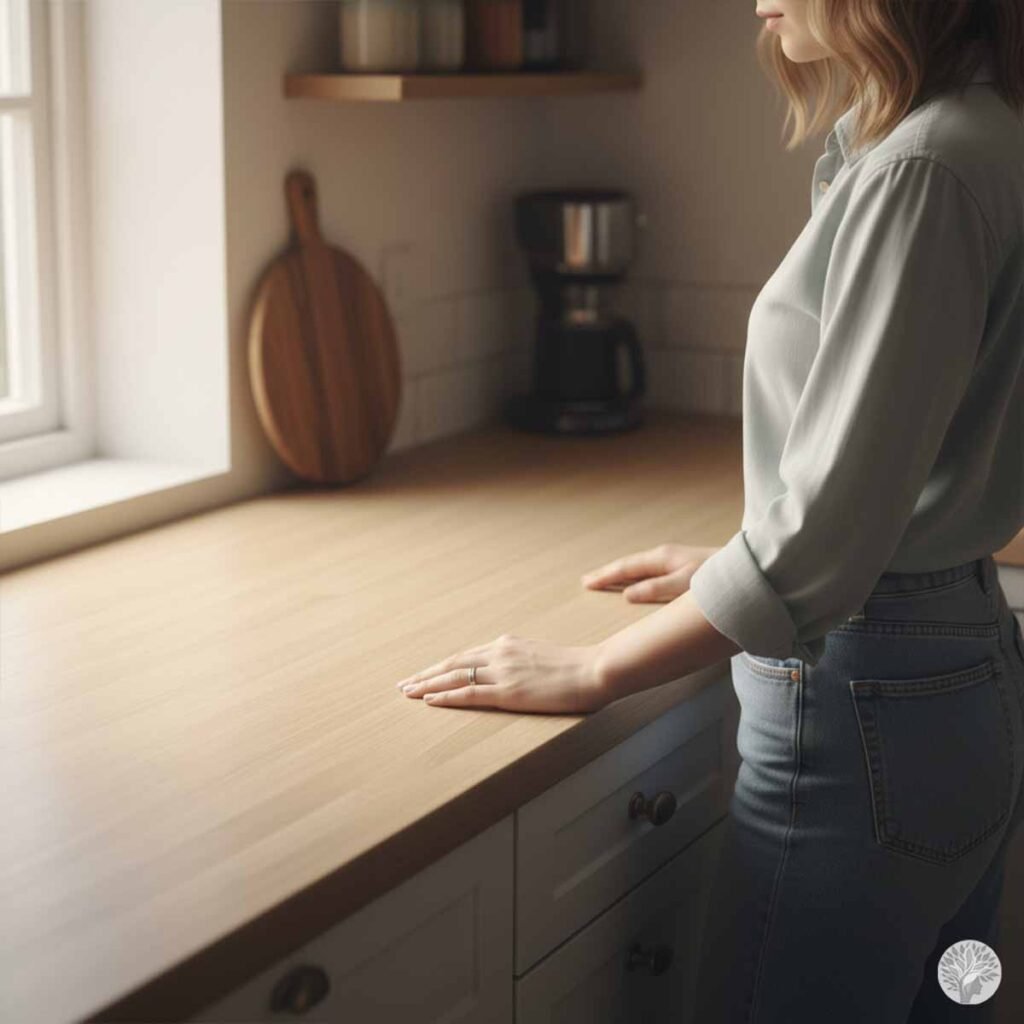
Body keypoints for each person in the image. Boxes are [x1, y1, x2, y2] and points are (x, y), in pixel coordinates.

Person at [395, 1, 1024, 1018]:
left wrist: (593, 669)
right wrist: (741, 557)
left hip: (864, 713)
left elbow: (827, 535)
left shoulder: (921, 169)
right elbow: (900, 469)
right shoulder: (982, 133)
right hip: (955, 695)